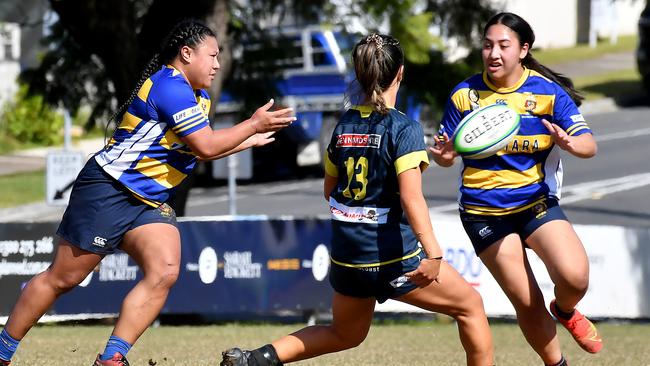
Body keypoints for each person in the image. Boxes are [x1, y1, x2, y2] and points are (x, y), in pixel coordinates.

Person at [0, 19, 295, 366]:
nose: (217, 64)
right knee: (64, 278)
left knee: (165, 270)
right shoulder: (169, 87)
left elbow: (196, 149)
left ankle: (111, 359)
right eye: (212, 56)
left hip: (148, 201)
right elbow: (206, 145)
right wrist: (252, 125)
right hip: (108, 190)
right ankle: (3, 351)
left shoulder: (197, 95)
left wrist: (246, 139)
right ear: (186, 54)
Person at [220, 33, 494, 366]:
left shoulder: (343, 125)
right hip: (393, 258)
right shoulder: (403, 128)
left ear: (360, 74)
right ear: (400, 73)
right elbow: (412, 198)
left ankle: (256, 359)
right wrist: (433, 254)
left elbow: (329, 191)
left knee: (345, 333)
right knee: (471, 307)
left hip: (349, 257)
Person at [430, 12, 601, 366]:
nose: (493, 53)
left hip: (535, 202)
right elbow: (447, 156)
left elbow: (589, 144)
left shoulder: (547, 93)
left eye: (503, 46)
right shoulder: (464, 96)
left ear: (523, 50)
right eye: (488, 45)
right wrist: (444, 156)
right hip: (484, 212)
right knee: (526, 300)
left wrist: (569, 143)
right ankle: (557, 364)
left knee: (576, 276)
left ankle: (566, 309)